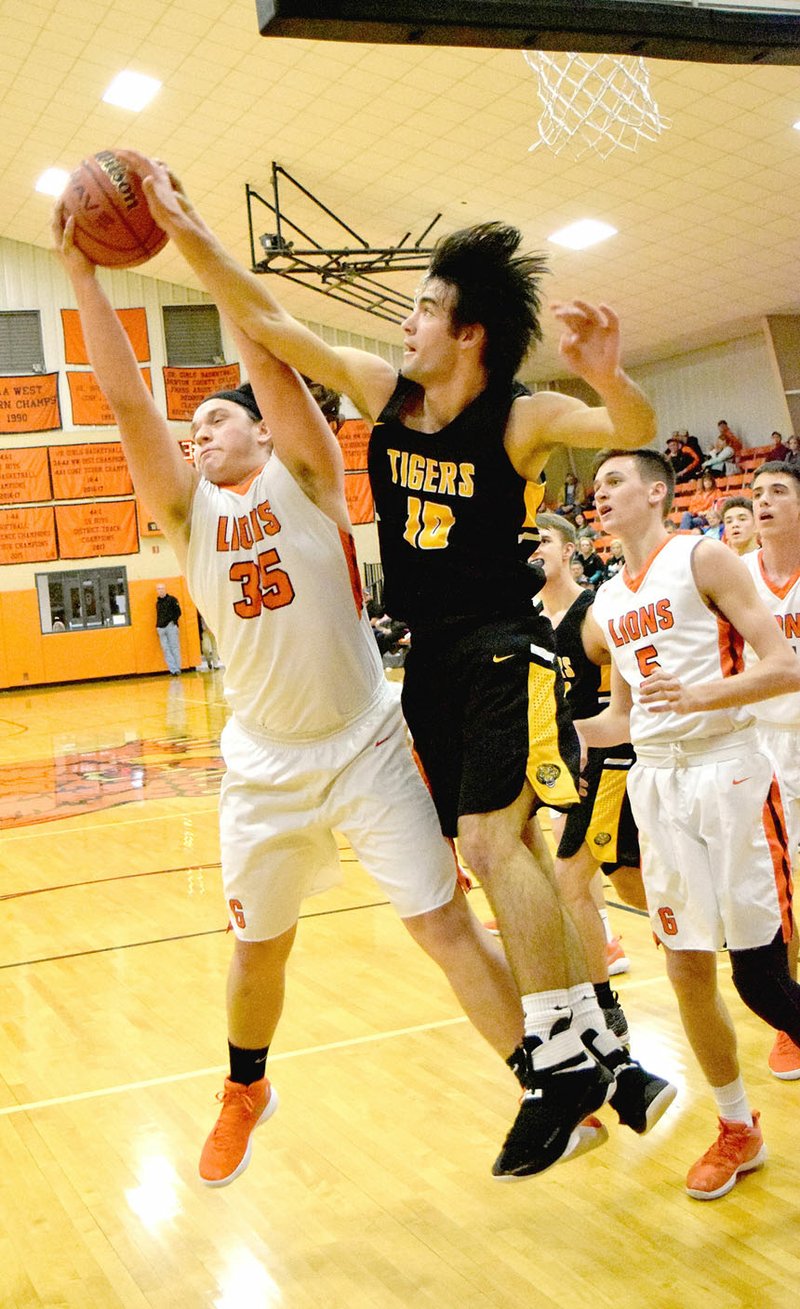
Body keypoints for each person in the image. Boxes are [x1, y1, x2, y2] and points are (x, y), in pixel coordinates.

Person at [140, 159, 676, 1180]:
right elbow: (275, 329)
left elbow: (629, 430)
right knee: (497, 854)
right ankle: (599, 1054)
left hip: (501, 647)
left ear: (466, 332)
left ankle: (564, 1066)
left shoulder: (516, 417)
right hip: (425, 664)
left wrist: (605, 370)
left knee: (486, 841)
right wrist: (195, 240)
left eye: (424, 309)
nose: (406, 324)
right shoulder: (385, 394)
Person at [53, 205, 539, 1191]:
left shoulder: (310, 477)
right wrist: (85, 277)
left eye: (218, 417)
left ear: (263, 433)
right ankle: (245, 1087)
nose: (198, 432)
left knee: (441, 924)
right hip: (265, 768)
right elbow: (125, 403)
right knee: (255, 951)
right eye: (194, 427)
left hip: (364, 743)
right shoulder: (188, 515)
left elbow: (268, 350)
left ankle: (542, 1078)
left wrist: (194, 243)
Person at [578, 447, 800, 1201]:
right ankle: (738, 1126)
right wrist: (564, 732)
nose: (599, 493)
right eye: (595, 486)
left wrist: (701, 695)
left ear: (655, 491)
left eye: (613, 481)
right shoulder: (607, 602)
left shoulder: (703, 557)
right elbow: (622, 714)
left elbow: (783, 663)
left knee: (763, 978)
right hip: (658, 782)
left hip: (730, 771)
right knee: (685, 967)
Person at [529, 514, 651, 1046]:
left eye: (545, 539)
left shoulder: (595, 614)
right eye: (527, 540)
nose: (533, 548)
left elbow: (628, 707)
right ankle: (707, 932)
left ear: (571, 549)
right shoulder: (527, 618)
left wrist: (569, 740)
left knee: (572, 881)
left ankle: (603, 1005)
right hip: (569, 766)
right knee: (627, 883)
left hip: (613, 758)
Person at [743, 461, 800, 1080]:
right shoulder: (733, 578)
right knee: (776, 889)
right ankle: (792, 1017)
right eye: (755, 493)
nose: (763, 501)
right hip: (757, 745)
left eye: (778, 491)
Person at [155, 582, 182, 674]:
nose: (160, 590)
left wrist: (173, 622)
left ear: (165, 589)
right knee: (165, 649)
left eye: (162, 588)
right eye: (158, 589)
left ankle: (177, 668)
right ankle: (172, 669)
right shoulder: (157, 603)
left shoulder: (172, 599)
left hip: (170, 626)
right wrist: (158, 627)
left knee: (174, 647)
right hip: (161, 628)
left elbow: (178, 612)